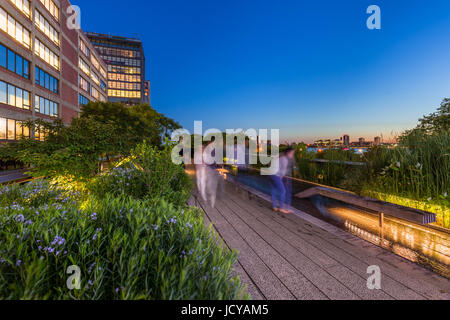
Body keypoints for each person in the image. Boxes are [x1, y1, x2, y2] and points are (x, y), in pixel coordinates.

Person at [270, 147, 295, 214]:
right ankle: (281, 208)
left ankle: (274, 206)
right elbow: (283, 172)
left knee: (274, 190)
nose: (292, 155)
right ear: (287, 153)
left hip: (270, 174)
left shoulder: (279, 157)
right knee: (283, 191)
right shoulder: (284, 159)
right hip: (275, 175)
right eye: (292, 153)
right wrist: (281, 178)